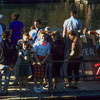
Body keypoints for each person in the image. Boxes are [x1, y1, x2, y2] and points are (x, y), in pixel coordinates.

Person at [0, 31, 15, 96]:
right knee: (7, 78)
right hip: (9, 63)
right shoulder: (11, 44)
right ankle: (5, 91)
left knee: (0, 79)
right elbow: (14, 55)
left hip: (1, 63)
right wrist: (13, 63)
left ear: (2, 36)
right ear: (9, 36)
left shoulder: (0, 44)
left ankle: (0, 91)